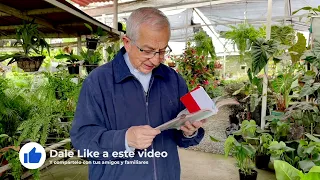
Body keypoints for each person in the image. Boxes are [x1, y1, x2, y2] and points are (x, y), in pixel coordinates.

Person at [70, 7, 206, 180]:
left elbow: (183, 134)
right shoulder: (98, 82)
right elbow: (82, 141)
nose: (156, 59)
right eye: (148, 51)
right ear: (127, 42)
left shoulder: (174, 80)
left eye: (162, 51)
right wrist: (125, 139)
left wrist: (189, 131)